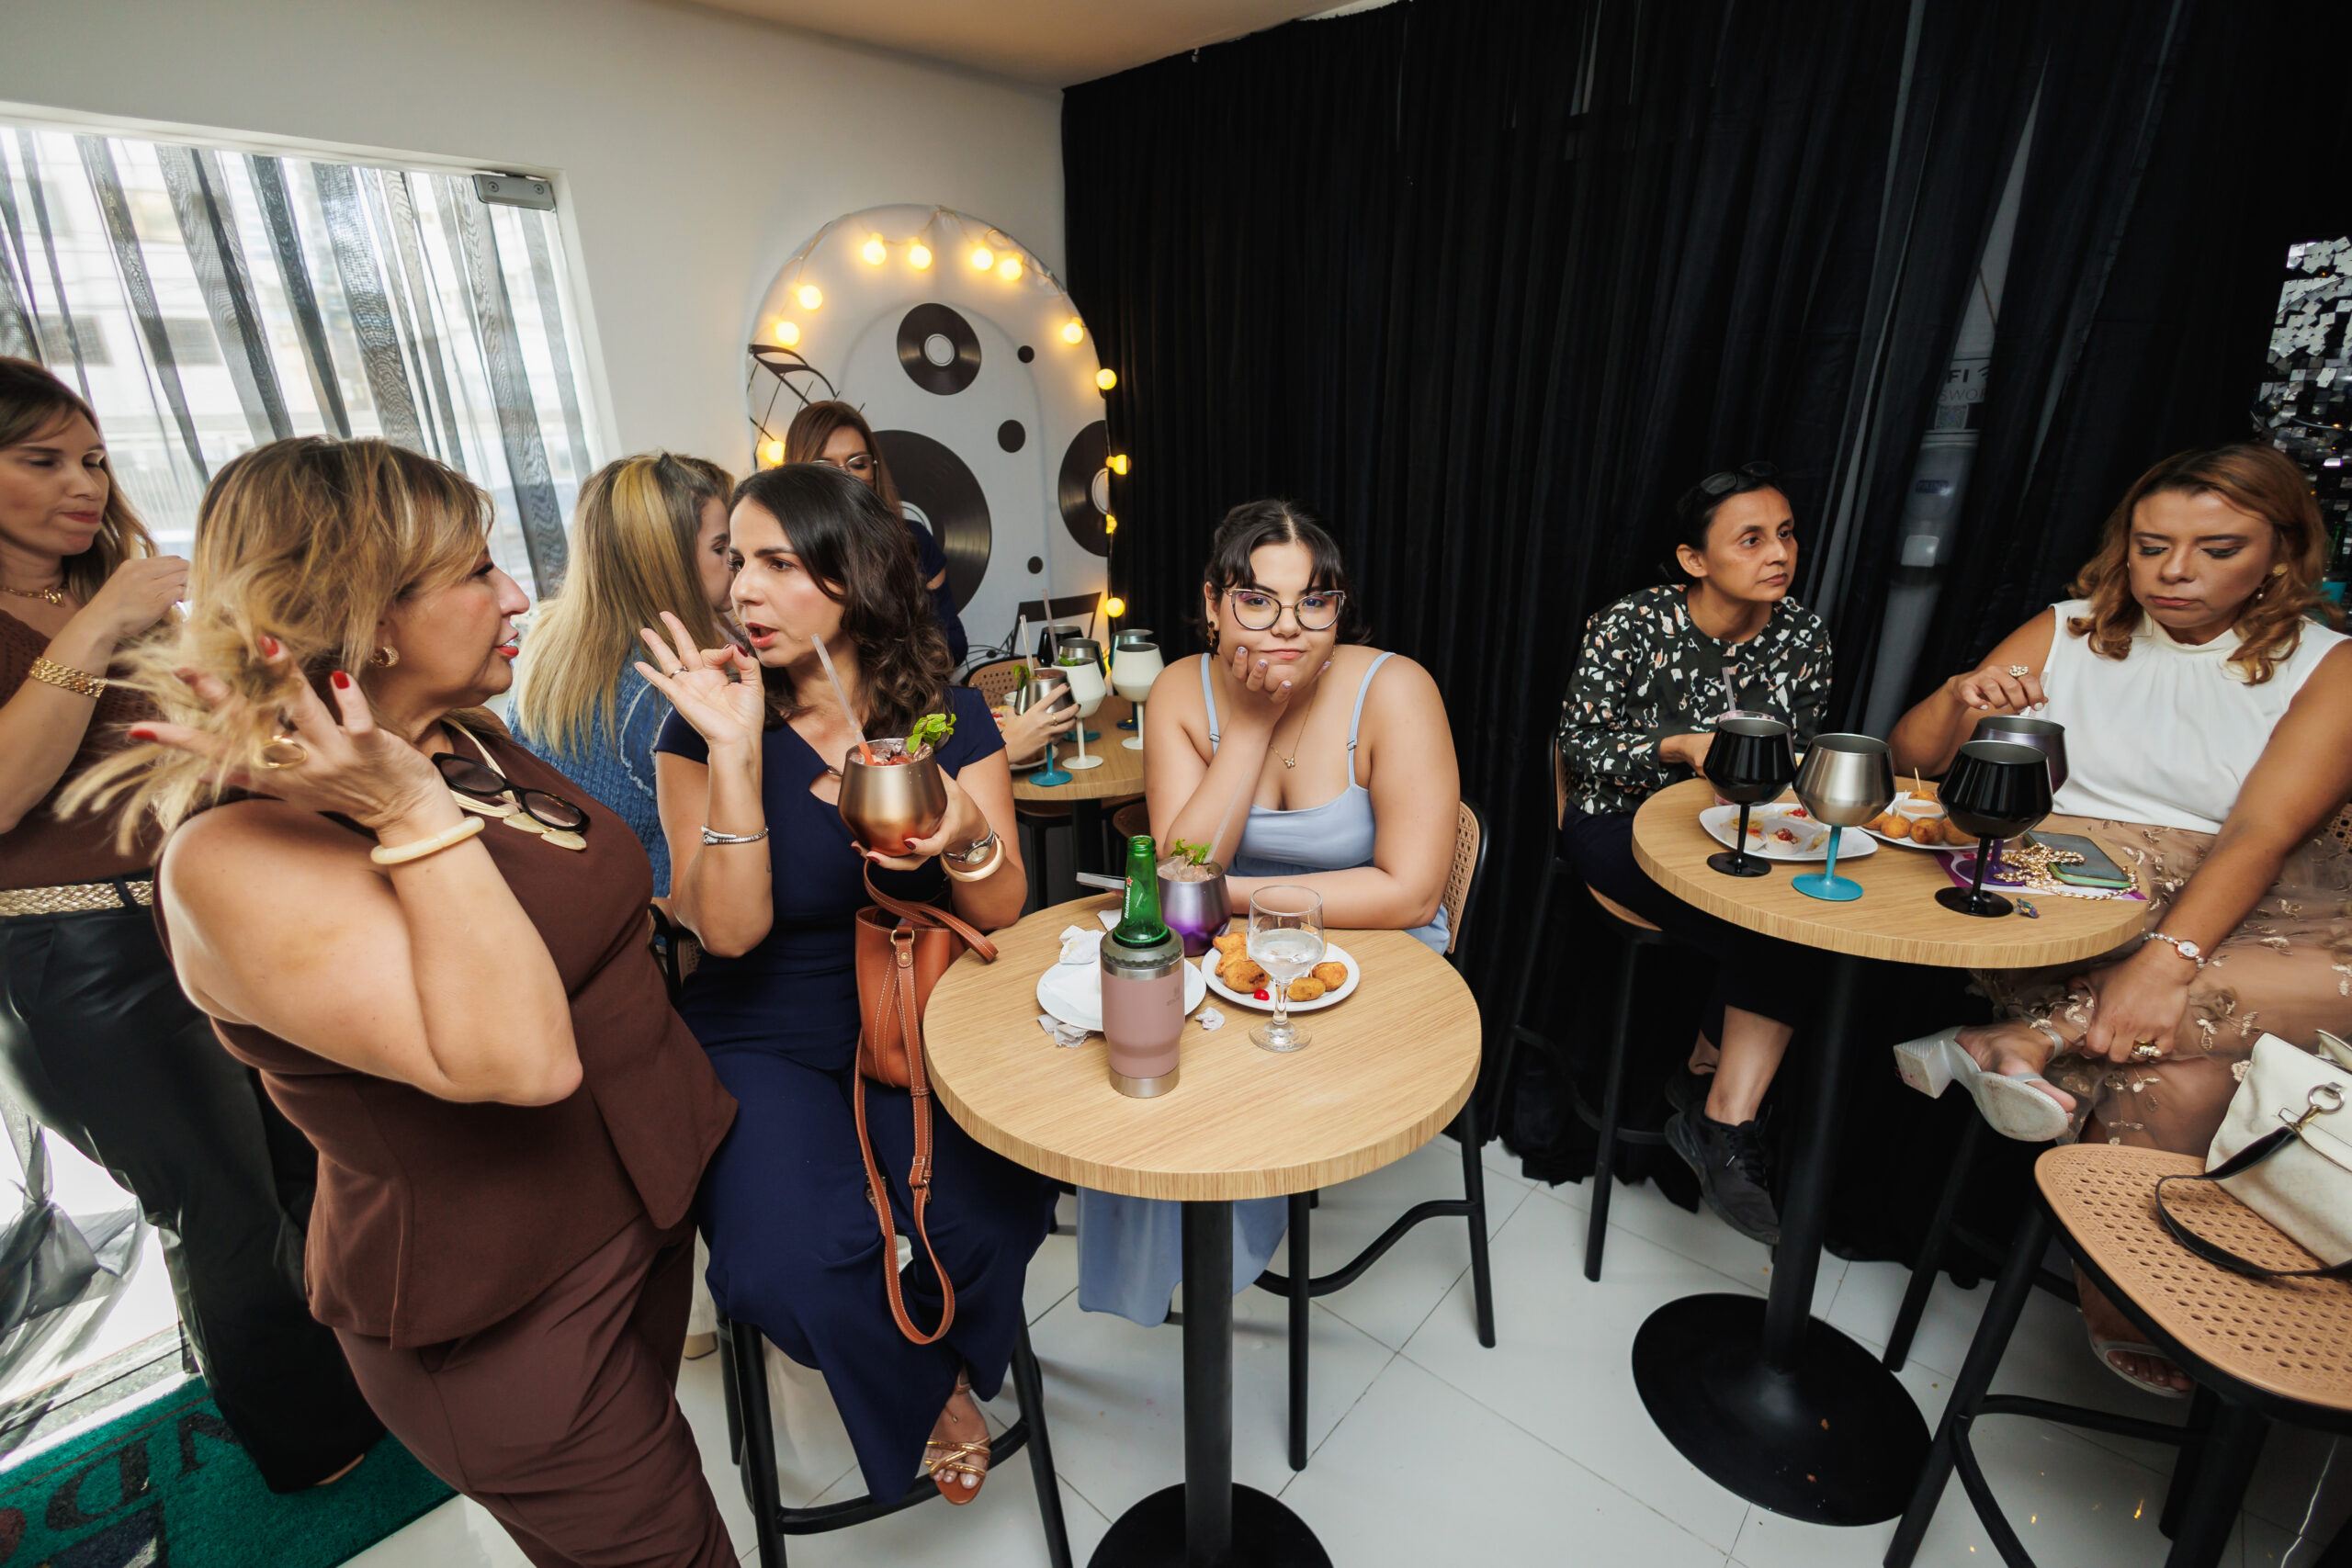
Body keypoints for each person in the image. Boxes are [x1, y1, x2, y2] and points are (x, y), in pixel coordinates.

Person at [75, 435, 740, 1565]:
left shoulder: (467, 736)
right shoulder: (238, 856)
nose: (518, 594)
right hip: (504, 1315)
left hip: (633, 1221)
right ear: (368, 614)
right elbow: (525, 1062)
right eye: (477, 571)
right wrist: (410, 813)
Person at [1888, 442, 2352, 1397]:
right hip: (2082, 904)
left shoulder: (2330, 665)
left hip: (2270, 905)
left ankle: (2030, 1039)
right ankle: (2141, 1305)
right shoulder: (2066, 631)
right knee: (2181, 1079)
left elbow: (2261, 833)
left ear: (2280, 551)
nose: (2175, 571)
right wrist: (1959, 698)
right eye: (2150, 546)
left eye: (2216, 548)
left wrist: (2172, 960)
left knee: (2207, 1053)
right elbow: (1914, 764)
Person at [0, 359, 383, 1492]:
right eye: (42, 461)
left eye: (93, 460)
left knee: (312, 1165)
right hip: (77, 957)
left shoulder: (112, 598)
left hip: (202, 911)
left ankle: (363, 1388)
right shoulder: (97, 611)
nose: (84, 485)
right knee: (221, 1213)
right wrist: (104, 624)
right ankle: (313, 1455)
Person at [646, 461, 1051, 1506]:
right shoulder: (700, 723)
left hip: (918, 1007)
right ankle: (927, 1388)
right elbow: (728, 931)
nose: (744, 588)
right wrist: (737, 755)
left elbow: (1001, 907)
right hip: (758, 1025)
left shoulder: (946, 717)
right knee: (791, 1258)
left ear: (854, 574)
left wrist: (965, 829)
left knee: (990, 1216)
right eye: (737, 559)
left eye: (780, 563)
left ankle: (926, 1345)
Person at [1074, 500, 1458, 1325]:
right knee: (1144, 1048)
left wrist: (1224, 894)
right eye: (1257, 599)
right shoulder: (1181, 690)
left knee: (1239, 1079)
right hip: (1230, 956)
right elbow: (1183, 866)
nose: (1288, 625)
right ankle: (1182, 1265)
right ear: (1213, 604)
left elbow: (1412, 892)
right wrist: (1248, 730)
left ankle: (1226, 1246)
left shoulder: (1396, 689)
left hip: (1377, 954)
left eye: (1313, 600)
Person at [1555, 462, 1833, 1245]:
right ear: (1694, 559)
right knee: (1772, 929)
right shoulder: (1632, 624)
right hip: (1619, 823)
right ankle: (1719, 1109)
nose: (1778, 553)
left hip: (1744, 829)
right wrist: (1678, 746)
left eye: (1786, 534)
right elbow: (1579, 744)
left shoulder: (1803, 634)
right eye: (1752, 539)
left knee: (1804, 916)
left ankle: (1714, 1097)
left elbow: (1804, 749)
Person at [513, 452, 734, 895]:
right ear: (668, 561)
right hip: (663, 919)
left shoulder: (550, 649)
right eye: (720, 548)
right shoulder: (669, 690)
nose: (735, 561)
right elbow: (732, 847)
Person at [784, 400, 968, 665]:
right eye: (826, 466)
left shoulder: (912, 542)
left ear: (874, 470)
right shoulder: (785, 557)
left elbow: (953, 645)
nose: (846, 477)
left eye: (858, 464)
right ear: (797, 476)